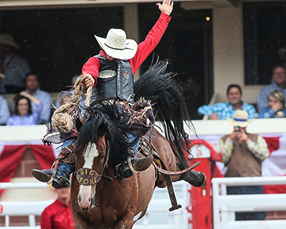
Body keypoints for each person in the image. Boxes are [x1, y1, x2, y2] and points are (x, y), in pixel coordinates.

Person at [32, 0, 174, 188]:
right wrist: (89, 78)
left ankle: (127, 160)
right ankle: (61, 171)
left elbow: (151, 40)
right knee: (77, 134)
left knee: (141, 123)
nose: (112, 55)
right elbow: (88, 71)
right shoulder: (95, 61)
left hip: (124, 110)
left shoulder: (130, 60)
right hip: (99, 111)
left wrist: (164, 16)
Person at [218, 110, 269, 221]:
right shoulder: (225, 140)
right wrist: (230, 140)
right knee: (236, 216)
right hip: (233, 183)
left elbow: (264, 155)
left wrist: (248, 141)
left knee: (257, 215)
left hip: (254, 183)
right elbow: (223, 158)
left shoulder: (256, 138)